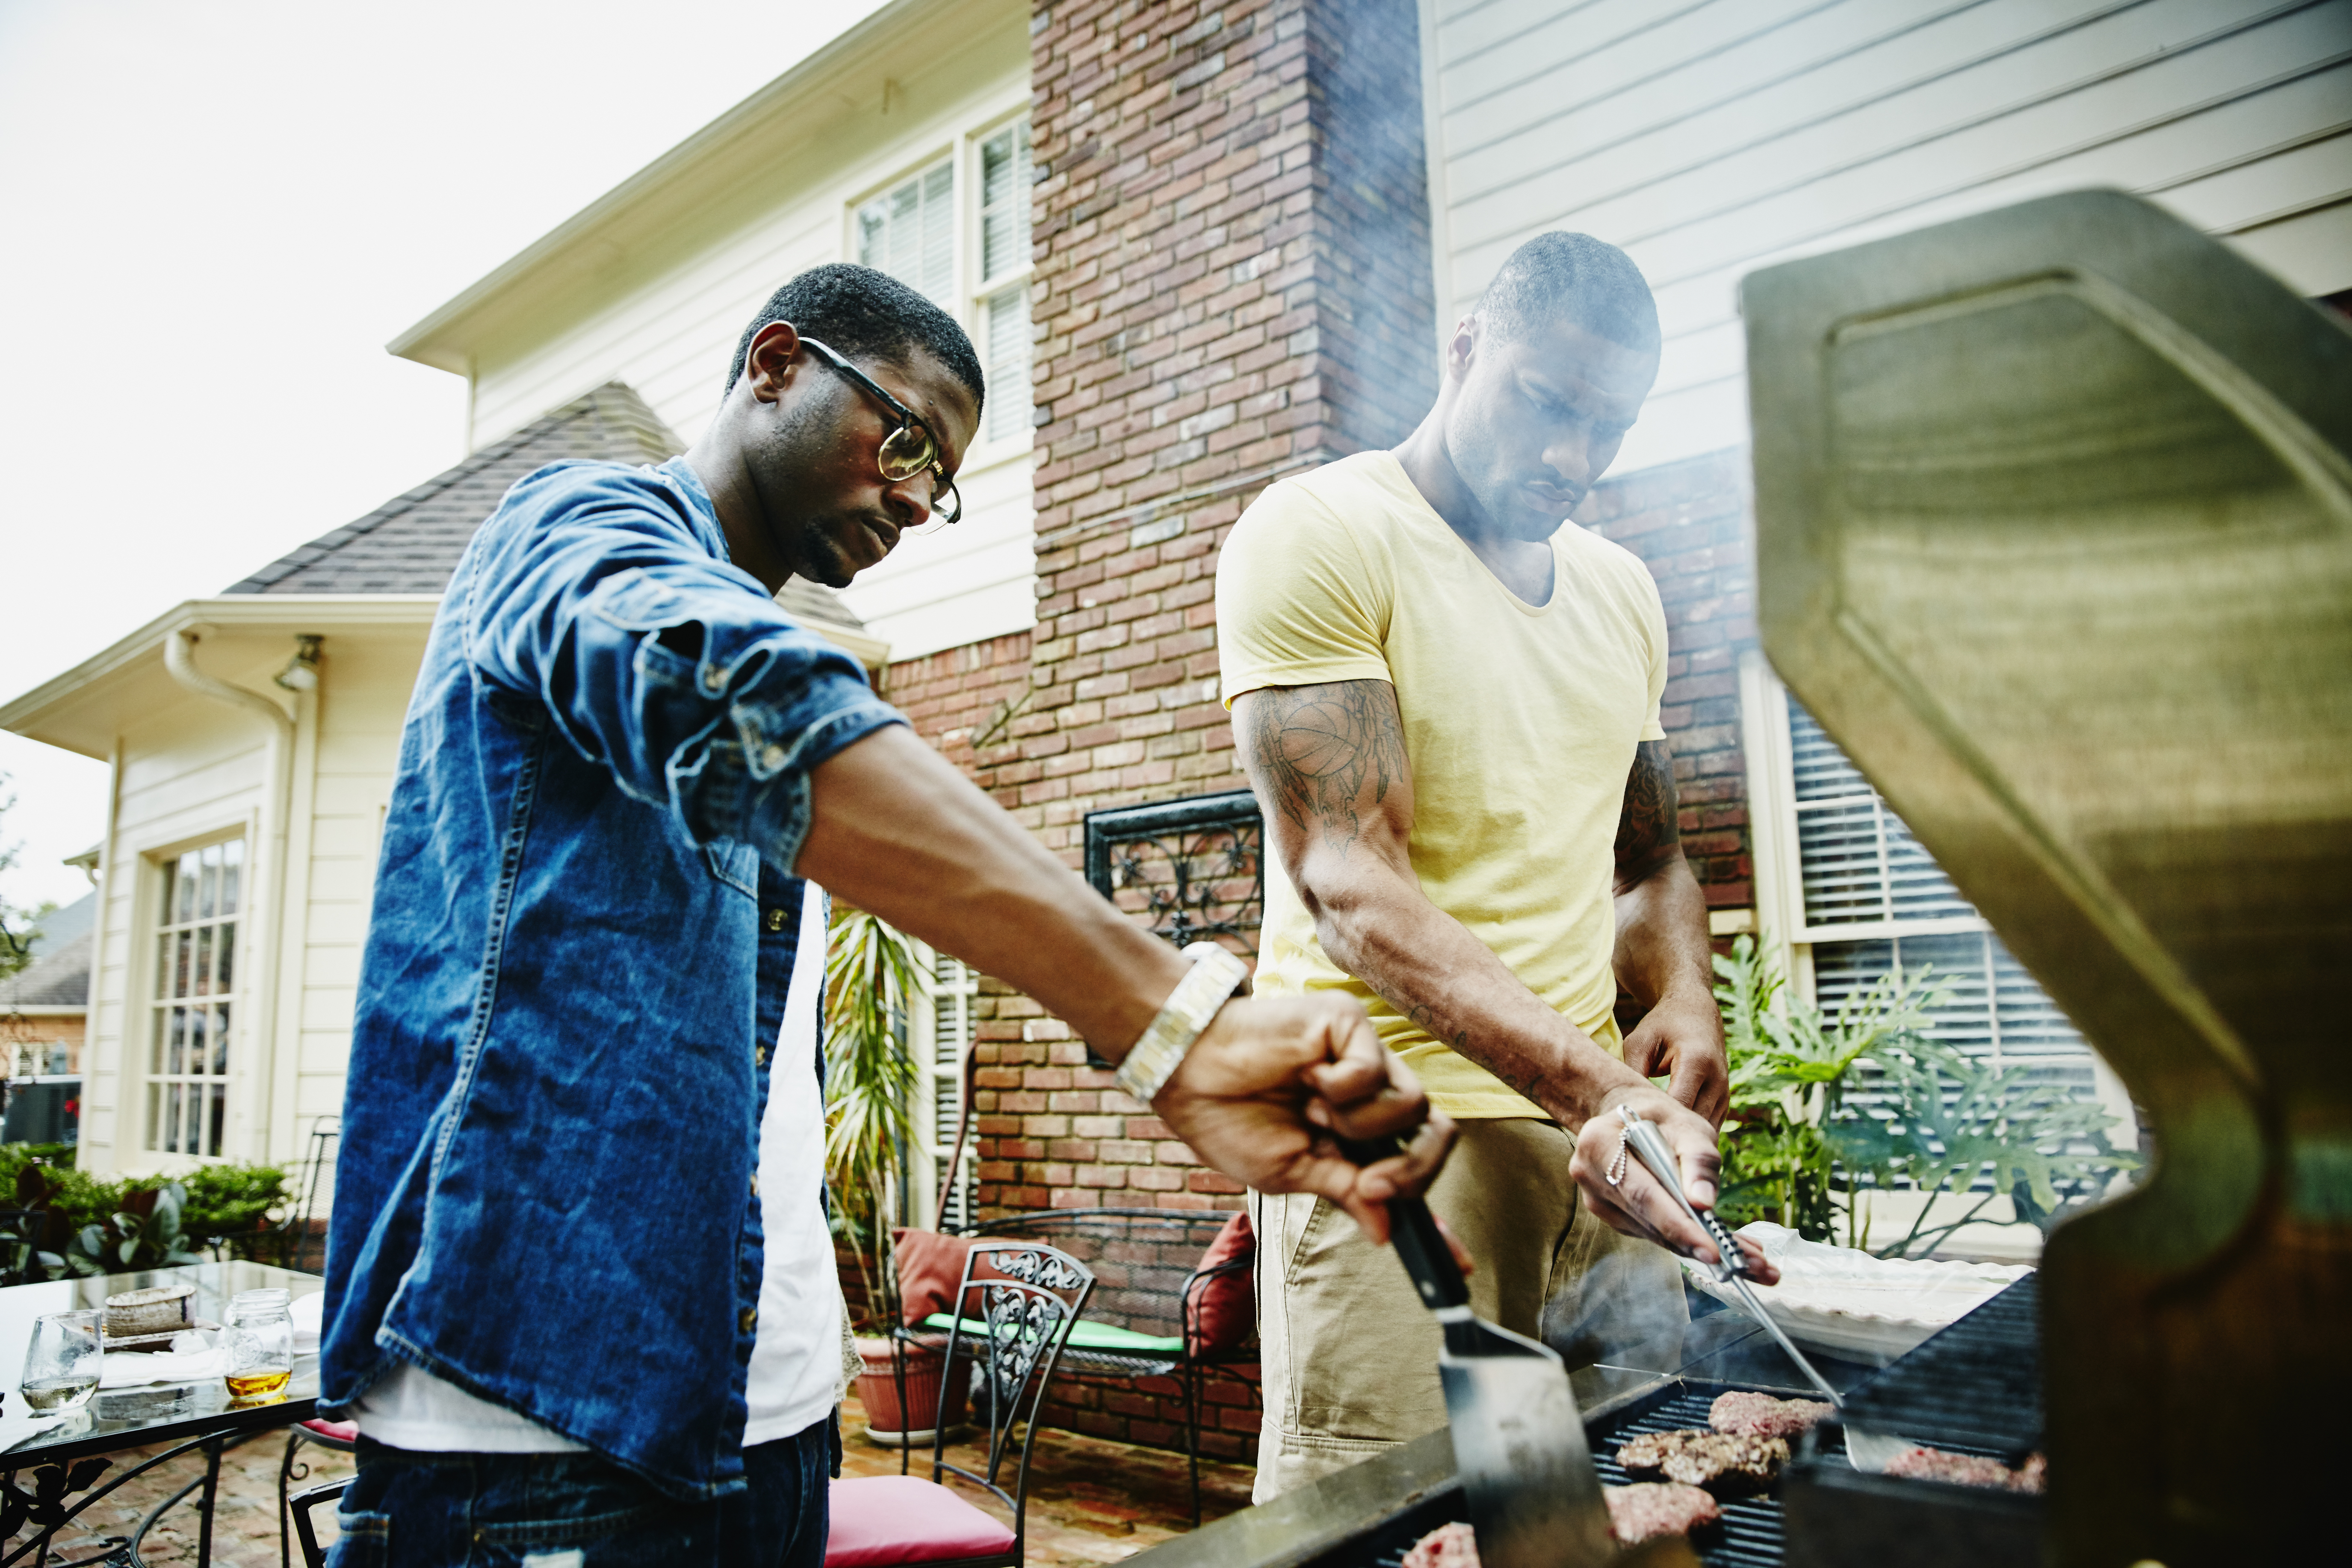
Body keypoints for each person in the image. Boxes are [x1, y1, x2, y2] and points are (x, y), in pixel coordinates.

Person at [317, 263, 1454, 1567]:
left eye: (945, 477)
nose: (918, 497)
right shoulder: (573, 523)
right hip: (540, 1427)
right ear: (775, 364)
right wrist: (1164, 1017)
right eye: (904, 436)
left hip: (777, 1415)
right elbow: (718, 687)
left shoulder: (762, 626)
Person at [1216, 232, 1778, 1500]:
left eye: (1608, 425)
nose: (1573, 457)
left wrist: (1681, 996)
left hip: (1591, 1159)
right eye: (1544, 402)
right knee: (1399, 1528)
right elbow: (1346, 880)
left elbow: (1650, 863)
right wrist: (1603, 1098)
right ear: (1464, 347)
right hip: (1396, 1156)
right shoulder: (1321, 532)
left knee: (1596, 1517)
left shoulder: (1623, 590)